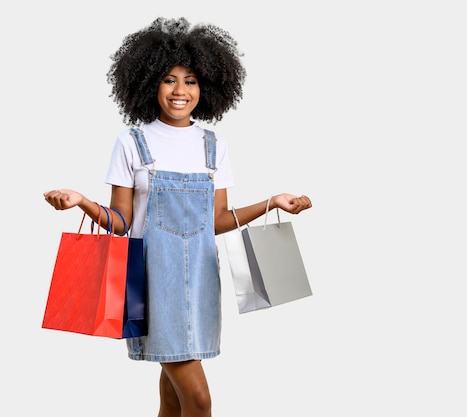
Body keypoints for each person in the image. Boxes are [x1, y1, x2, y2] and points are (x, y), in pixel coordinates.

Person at [43, 17, 312, 417]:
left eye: (191, 80)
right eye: (169, 79)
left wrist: (272, 202)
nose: (180, 91)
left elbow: (217, 219)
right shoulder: (132, 142)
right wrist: (82, 201)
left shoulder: (213, 146)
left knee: (172, 398)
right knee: (199, 400)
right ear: (150, 83)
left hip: (201, 282)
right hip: (152, 283)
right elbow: (121, 222)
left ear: (207, 86)